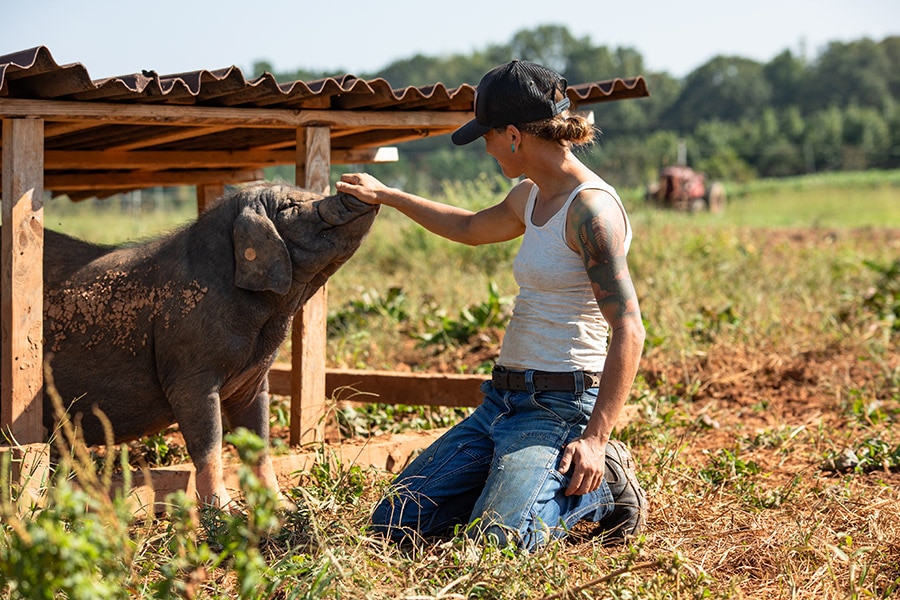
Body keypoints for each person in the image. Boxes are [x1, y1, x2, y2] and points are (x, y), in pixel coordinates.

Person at [335, 59, 647, 551]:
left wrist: (597, 437)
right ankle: (513, 480)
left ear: (514, 136)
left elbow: (629, 327)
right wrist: (389, 196)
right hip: (501, 402)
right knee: (393, 522)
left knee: (499, 541)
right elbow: (467, 227)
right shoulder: (530, 195)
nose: (485, 147)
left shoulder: (592, 211)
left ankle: (604, 481)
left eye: (487, 136)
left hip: (560, 406)